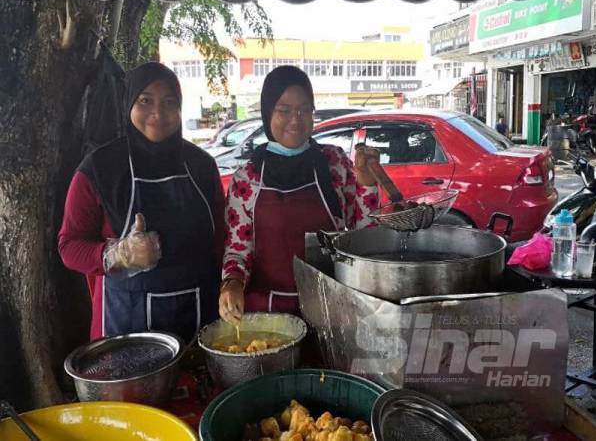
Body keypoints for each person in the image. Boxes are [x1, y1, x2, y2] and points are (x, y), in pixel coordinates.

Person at [58, 62, 224, 343]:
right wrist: (118, 254)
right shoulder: (100, 168)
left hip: (199, 314)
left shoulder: (202, 166)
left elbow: (221, 238)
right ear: (128, 103)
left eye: (169, 102)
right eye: (145, 100)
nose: (158, 113)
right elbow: (69, 246)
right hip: (124, 321)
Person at [218, 65, 380, 324]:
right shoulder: (247, 178)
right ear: (267, 112)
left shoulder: (334, 163)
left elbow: (365, 234)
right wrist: (232, 282)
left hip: (329, 311)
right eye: (284, 110)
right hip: (266, 316)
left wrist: (368, 183)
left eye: (305, 110)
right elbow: (238, 251)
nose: (296, 119)